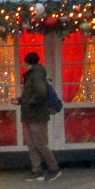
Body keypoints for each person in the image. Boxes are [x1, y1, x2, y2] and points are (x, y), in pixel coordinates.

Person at [18, 51, 61, 181]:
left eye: (25, 62)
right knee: (33, 144)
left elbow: (40, 93)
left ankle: (53, 168)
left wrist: (29, 102)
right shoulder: (34, 75)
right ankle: (37, 170)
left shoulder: (35, 75)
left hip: (36, 114)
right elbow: (34, 92)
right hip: (33, 114)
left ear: (28, 62)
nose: (24, 65)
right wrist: (22, 100)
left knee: (38, 143)